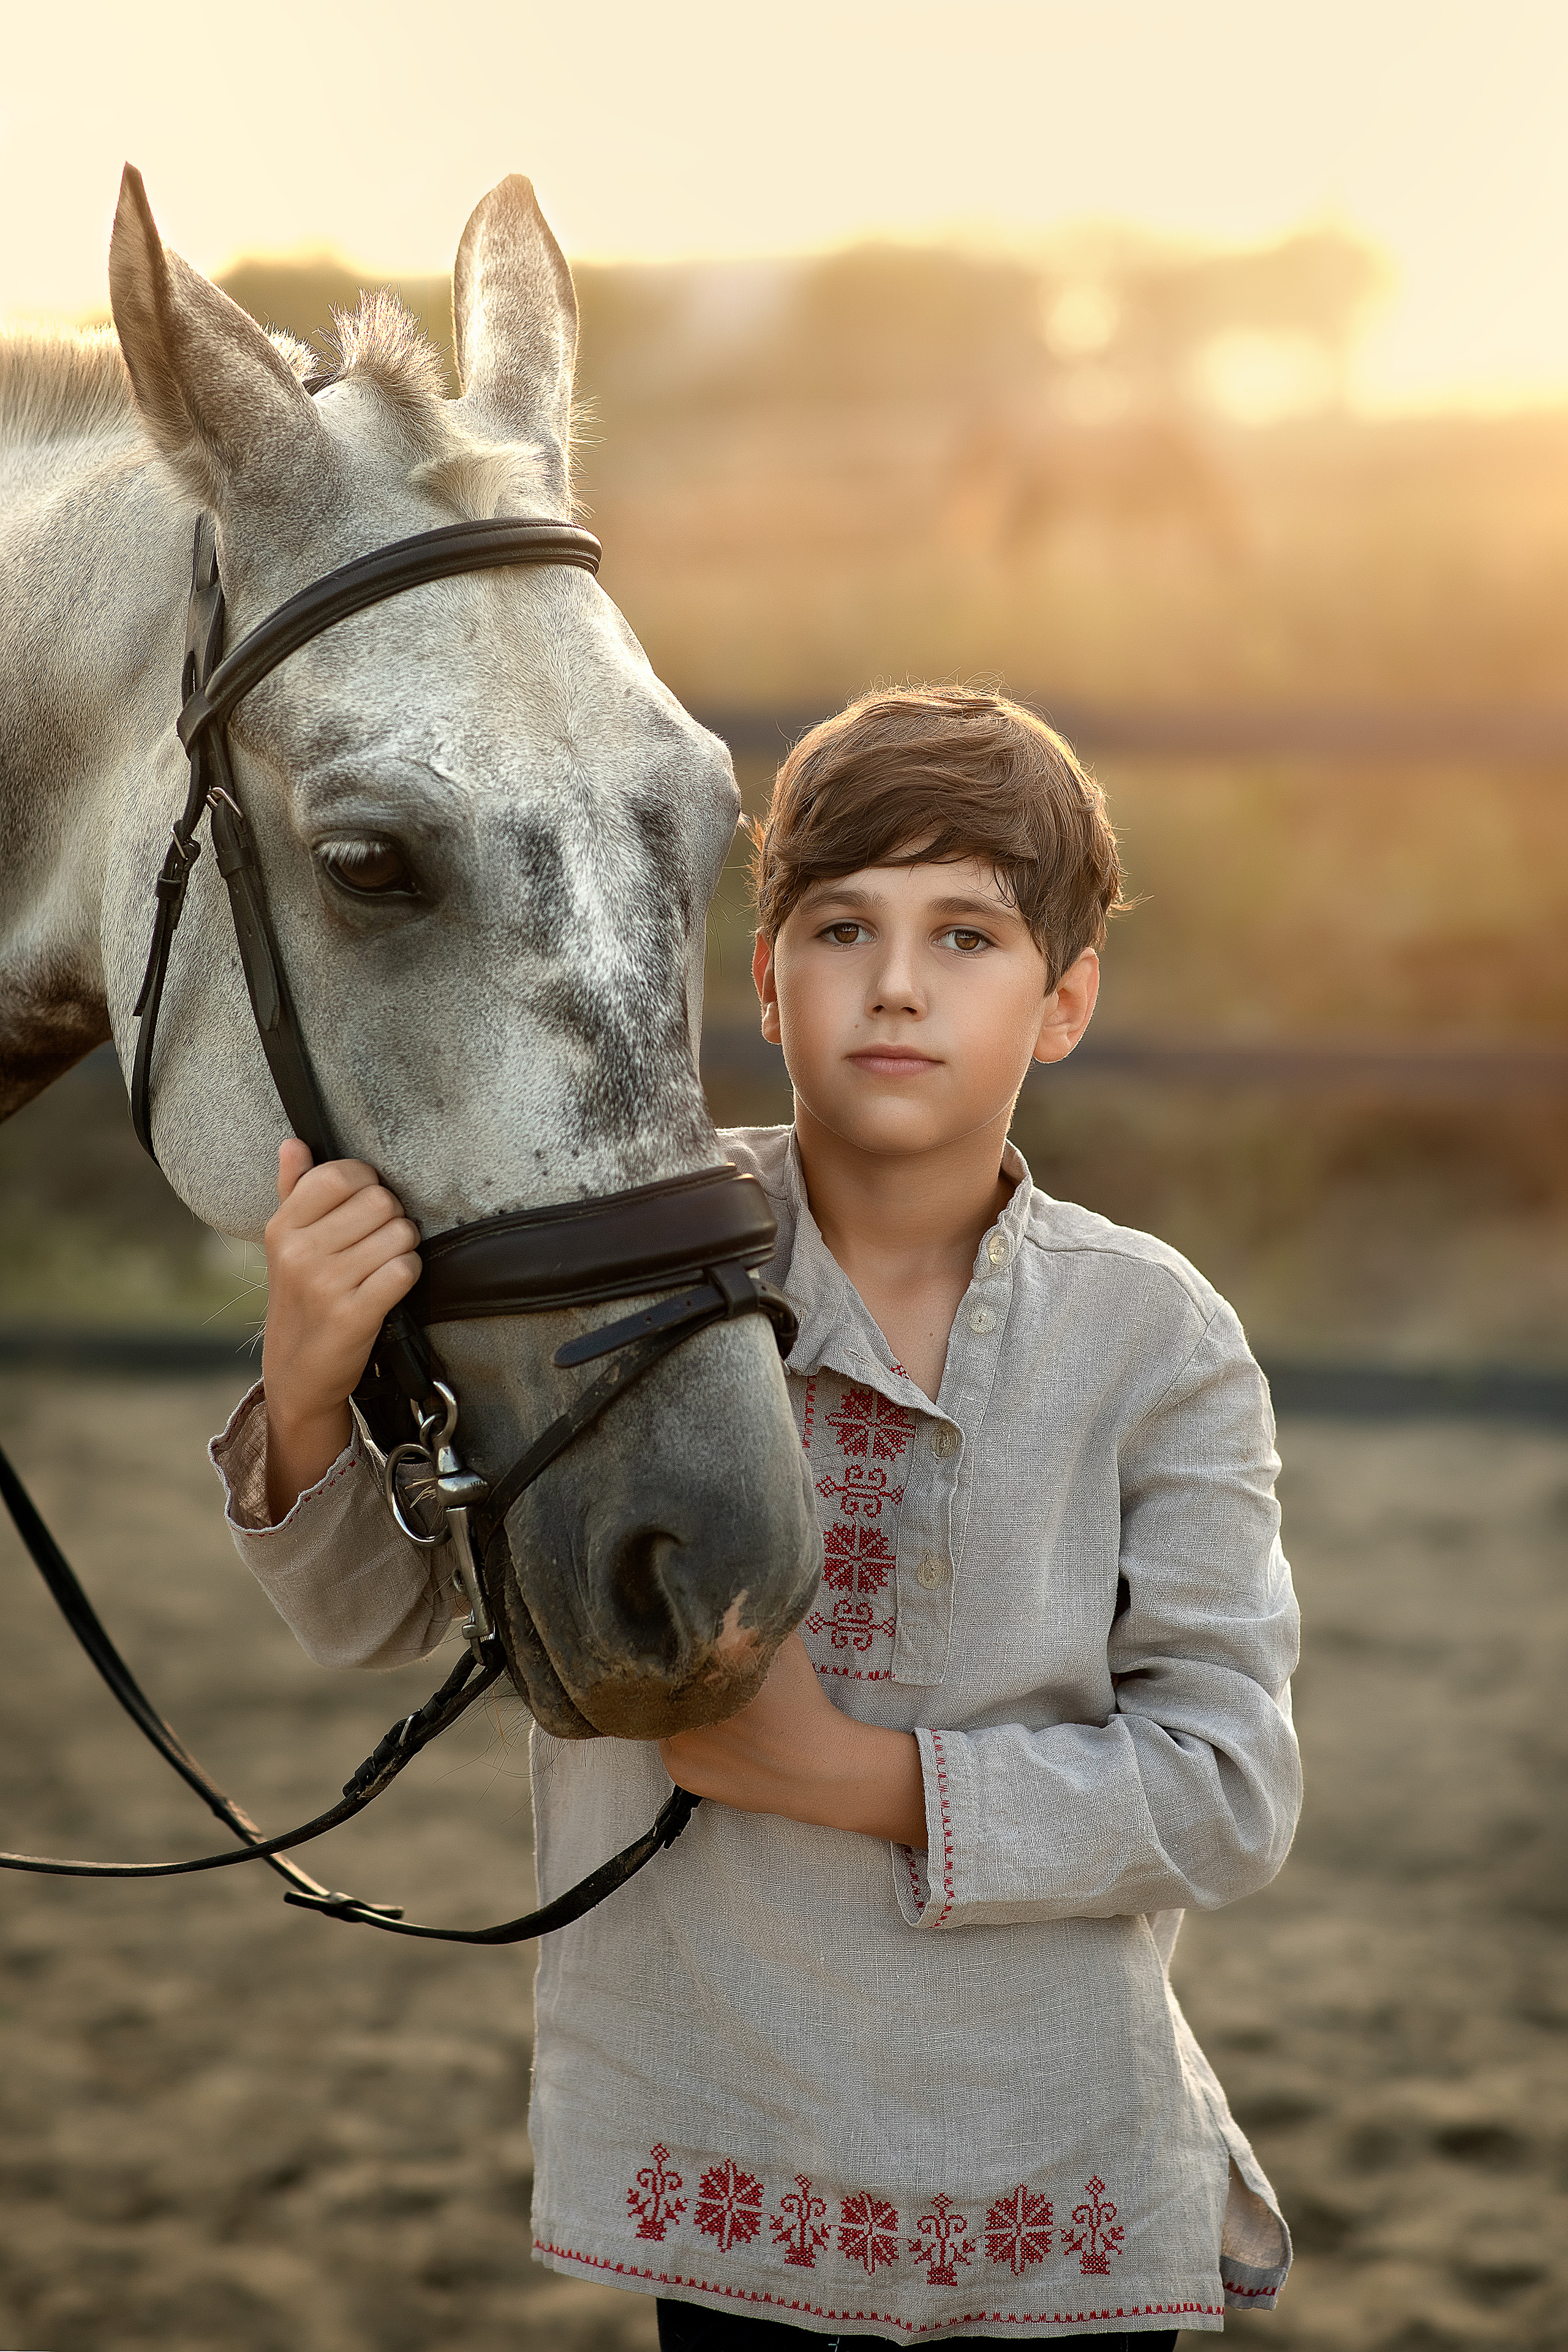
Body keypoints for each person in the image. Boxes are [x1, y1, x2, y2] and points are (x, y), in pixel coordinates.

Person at [212, 687, 1301, 2347]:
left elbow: (1227, 1793)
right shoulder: (597, 1263)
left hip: (1056, 2172)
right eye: (843, 925)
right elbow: (377, 1616)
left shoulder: (1157, 1339)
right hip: (733, 2165)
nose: (897, 983)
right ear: (763, 982)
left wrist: (846, 1776)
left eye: (969, 936)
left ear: (1064, 1001)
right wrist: (308, 1391)